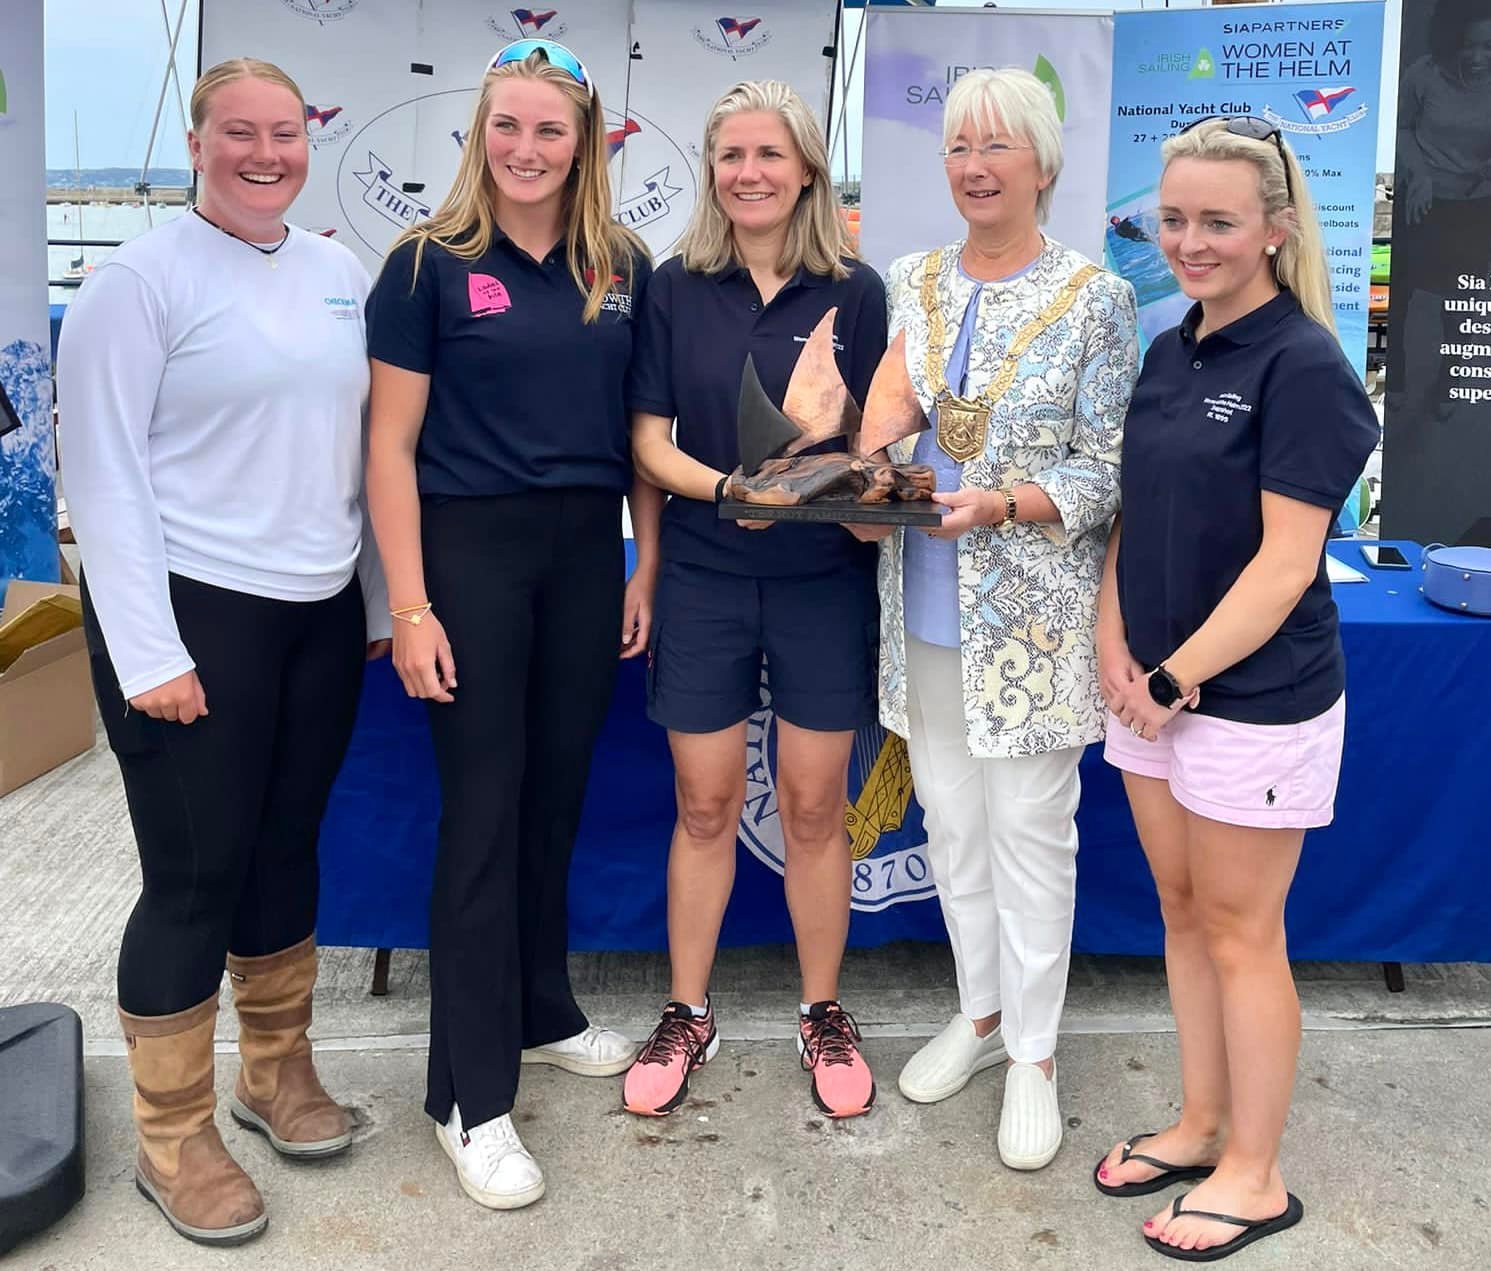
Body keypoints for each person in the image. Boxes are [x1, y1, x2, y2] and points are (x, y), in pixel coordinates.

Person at [56, 58, 388, 1246]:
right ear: (196, 142)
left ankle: (276, 1070)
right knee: (194, 874)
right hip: (191, 614)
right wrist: (148, 651)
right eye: (238, 133)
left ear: (309, 142)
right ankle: (172, 1129)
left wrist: (383, 603)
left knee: (285, 845)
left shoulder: (338, 272)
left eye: (284, 133)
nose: (264, 153)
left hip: (316, 611)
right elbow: (98, 474)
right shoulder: (134, 283)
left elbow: (360, 457)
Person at [363, 40, 656, 1210]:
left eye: (550, 130)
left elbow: (646, 431)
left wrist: (645, 563)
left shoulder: (620, 263)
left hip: (587, 552)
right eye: (507, 127)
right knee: (482, 820)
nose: (526, 149)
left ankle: (540, 1012)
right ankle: (466, 1097)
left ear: (583, 144)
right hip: (469, 557)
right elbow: (386, 446)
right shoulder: (427, 264)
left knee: (552, 800)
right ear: (479, 133)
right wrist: (412, 603)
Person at [1093, 117, 1378, 1260]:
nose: (1190, 241)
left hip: (1253, 698)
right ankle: (1204, 1118)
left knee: (1245, 932)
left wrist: (1172, 675)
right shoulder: (1173, 349)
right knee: (1182, 912)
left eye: (1217, 220)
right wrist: (1115, 650)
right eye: (1174, 219)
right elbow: (1132, 520)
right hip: (1150, 689)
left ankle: (1254, 1171)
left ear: (1275, 228)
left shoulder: (1304, 365)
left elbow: (1284, 564)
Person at [864, 68, 1138, 1170]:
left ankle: (1035, 1051)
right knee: (952, 825)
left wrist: (1008, 502)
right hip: (919, 605)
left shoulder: (1095, 297)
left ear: (1042, 163)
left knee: (1032, 835)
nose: (973, 167)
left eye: (997, 147)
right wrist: (859, 474)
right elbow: (892, 417)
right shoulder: (912, 278)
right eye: (957, 148)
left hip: (1034, 621)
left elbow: (1112, 470)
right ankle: (980, 1015)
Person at [622, 80, 887, 1120]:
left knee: (817, 808)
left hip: (823, 584)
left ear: (808, 168)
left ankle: (823, 1009)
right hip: (702, 575)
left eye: (769, 154)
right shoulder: (676, 284)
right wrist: (730, 493)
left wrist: (868, 495)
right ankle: (689, 1009)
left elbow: (875, 452)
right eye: (730, 154)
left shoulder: (857, 291)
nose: (749, 173)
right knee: (705, 803)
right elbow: (647, 442)